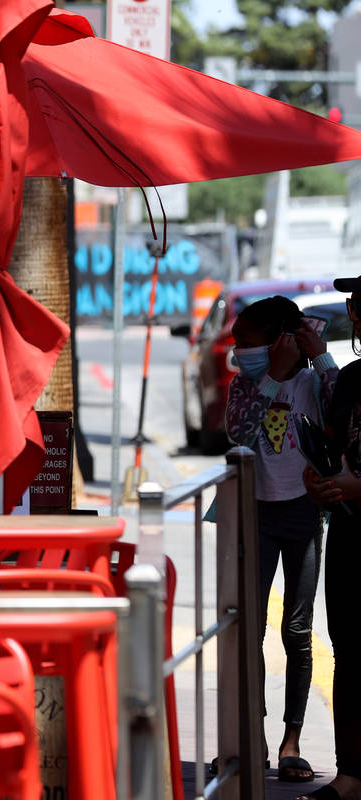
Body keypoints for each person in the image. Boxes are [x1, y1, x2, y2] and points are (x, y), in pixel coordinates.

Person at [223, 295, 337, 784]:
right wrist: (270, 374)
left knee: (296, 629)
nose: (237, 352)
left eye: (246, 344)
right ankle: (254, 737)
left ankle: (292, 741)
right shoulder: (244, 387)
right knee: (247, 630)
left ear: (278, 341)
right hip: (256, 515)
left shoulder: (314, 384)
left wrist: (321, 355)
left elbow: (344, 409)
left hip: (303, 515)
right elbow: (240, 435)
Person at [298, 276, 361, 800]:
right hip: (349, 536)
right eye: (354, 304)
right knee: (349, 653)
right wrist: (321, 481)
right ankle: (351, 775)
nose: (355, 313)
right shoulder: (353, 380)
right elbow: (336, 449)